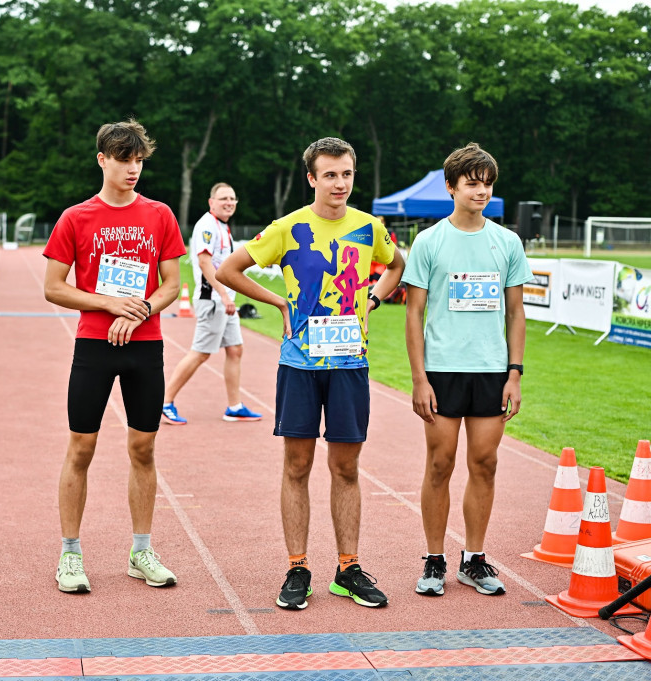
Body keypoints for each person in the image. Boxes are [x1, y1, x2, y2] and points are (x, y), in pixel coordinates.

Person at [216, 137, 404, 610]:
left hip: (350, 364)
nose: (339, 183)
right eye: (330, 175)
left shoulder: (370, 227)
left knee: (346, 467)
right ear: (312, 178)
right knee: (297, 465)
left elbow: (396, 265)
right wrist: (278, 301)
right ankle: (298, 567)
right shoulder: (288, 227)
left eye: (347, 174)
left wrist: (374, 299)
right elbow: (228, 269)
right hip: (299, 364)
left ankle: (348, 568)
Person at [43, 120, 185, 594]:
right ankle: (69, 555)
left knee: (142, 448)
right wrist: (108, 304)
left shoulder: (160, 215)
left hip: (145, 345)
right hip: (94, 345)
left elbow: (172, 284)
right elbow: (53, 288)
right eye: (124, 159)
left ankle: (141, 551)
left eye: (139, 160)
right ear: (102, 159)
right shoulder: (75, 218)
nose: (133, 169)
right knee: (81, 448)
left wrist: (142, 309)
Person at [403, 142, 532, 598]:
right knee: (440, 463)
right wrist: (419, 378)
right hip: (441, 370)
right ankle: (434, 560)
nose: (481, 191)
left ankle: (473, 560)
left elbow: (516, 313)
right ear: (451, 187)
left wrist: (514, 373)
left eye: (487, 184)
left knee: (486, 462)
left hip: (491, 372)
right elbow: (413, 313)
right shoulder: (429, 241)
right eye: (472, 183)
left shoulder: (507, 241)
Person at [160, 182, 262, 425]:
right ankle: (165, 402)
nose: (229, 202)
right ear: (211, 202)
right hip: (214, 300)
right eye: (224, 198)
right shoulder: (207, 225)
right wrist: (224, 296)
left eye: (233, 198)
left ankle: (234, 406)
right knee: (201, 352)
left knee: (235, 349)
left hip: (225, 300)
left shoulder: (222, 226)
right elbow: (205, 263)